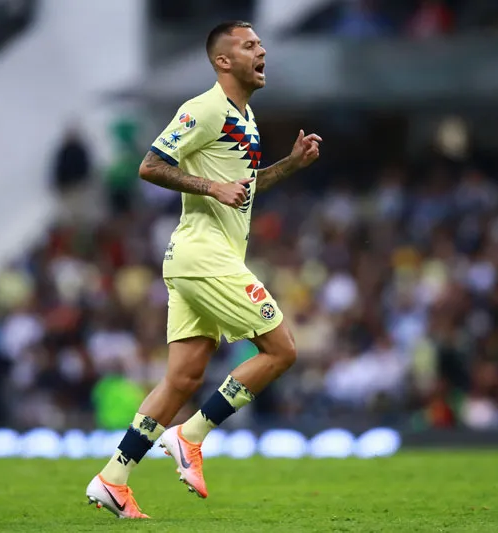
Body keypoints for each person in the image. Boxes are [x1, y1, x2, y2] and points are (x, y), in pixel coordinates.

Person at [85, 20, 321, 519]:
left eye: (261, 44)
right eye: (249, 45)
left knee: (182, 378)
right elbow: (150, 165)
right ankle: (191, 436)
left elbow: (244, 185)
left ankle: (113, 477)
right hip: (204, 254)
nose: (262, 51)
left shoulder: (246, 116)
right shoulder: (205, 108)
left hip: (201, 258)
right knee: (281, 350)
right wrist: (211, 188)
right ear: (223, 61)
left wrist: (291, 165)